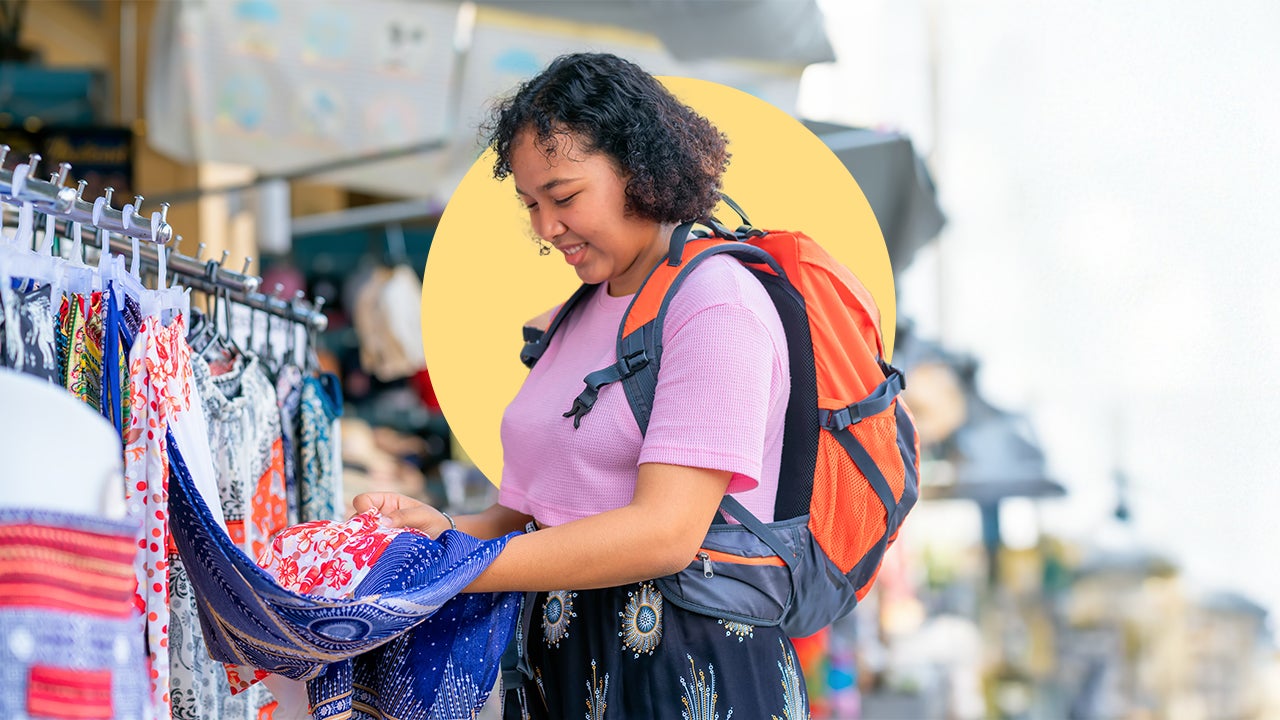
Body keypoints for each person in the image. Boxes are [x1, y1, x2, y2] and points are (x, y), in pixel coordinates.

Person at [354, 52, 808, 718]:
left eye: (563, 197)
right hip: (565, 666)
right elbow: (536, 520)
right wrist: (443, 533)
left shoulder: (715, 302)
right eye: (531, 203)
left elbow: (665, 533)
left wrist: (463, 565)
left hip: (686, 669)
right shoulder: (579, 312)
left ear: (640, 168)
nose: (545, 227)